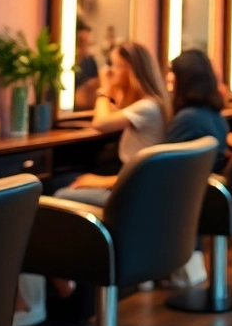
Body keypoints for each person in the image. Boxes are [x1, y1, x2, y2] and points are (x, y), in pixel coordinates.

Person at [56, 41, 169, 206]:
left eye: (115, 66)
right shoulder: (153, 104)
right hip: (136, 185)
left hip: (133, 193)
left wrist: (105, 89)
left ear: (129, 70)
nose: (110, 71)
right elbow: (114, 111)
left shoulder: (147, 107)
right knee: (62, 180)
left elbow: (101, 123)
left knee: (60, 193)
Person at [166, 49, 229, 146]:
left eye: (173, 73)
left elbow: (165, 160)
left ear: (183, 80)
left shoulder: (187, 120)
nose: (169, 78)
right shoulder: (216, 116)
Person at [72, 19, 100, 110]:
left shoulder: (90, 62)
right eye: (82, 42)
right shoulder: (60, 66)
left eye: (88, 43)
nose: (86, 48)